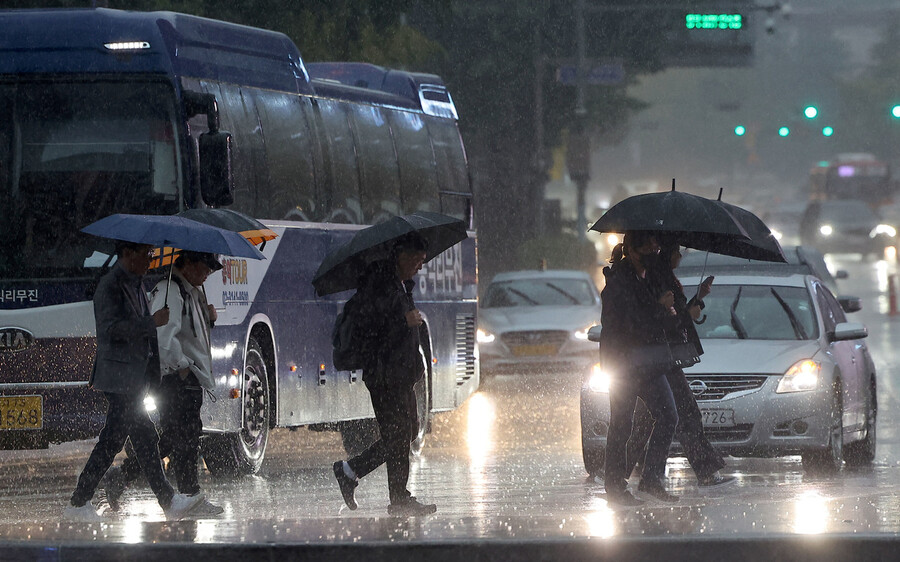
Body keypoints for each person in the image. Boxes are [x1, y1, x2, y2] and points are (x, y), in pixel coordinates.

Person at [64, 241, 204, 521]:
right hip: (119, 378)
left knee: (135, 439)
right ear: (128, 253)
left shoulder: (136, 283)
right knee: (129, 439)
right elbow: (110, 330)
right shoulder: (110, 285)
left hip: (134, 378)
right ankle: (80, 502)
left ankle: (83, 502)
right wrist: (152, 322)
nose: (150, 260)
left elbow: (145, 331)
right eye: (146, 254)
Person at [102, 251, 224, 516]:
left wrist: (209, 319)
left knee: (176, 438)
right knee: (185, 437)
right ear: (188, 263)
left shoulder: (192, 291)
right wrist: (180, 368)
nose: (207, 274)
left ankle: (123, 477)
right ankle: (189, 496)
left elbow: (189, 332)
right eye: (205, 268)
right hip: (176, 378)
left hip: (189, 376)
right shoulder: (170, 290)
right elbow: (162, 337)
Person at [332, 234, 437, 516]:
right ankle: (399, 498)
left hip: (401, 374)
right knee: (398, 435)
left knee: (408, 431)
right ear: (400, 255)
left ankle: (351, 470)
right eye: (416, 260)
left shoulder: (400, 285)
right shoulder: (379, 286)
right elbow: (371, 329)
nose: (419, 267)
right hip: (384, 375)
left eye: (422, 261)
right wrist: (402, 320)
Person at [625, 240, 737, 489]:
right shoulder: (657, 279)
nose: (680, 256)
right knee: (686, 414)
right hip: (661, 359)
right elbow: (663, 323)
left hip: (661, 358)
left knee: (647, 422)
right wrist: (687, 314)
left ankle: (617, 472)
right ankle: (704, 472)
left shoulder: (663, 277)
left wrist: (698, 298)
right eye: (677, 251)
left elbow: (672, 316)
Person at [599, 231, 680, 505]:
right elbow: (628, 324)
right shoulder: (618, 283)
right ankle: (615, 486)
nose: (654, 250)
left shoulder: (652, 278)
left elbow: (655, 323)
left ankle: (652, 480)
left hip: (648, 364)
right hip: (623, 364)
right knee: (621, 424)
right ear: (633, 250)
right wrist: (658, 309)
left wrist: (670, 312)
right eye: (648, 245)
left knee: (668, 416)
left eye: (656, 245)